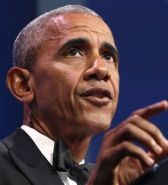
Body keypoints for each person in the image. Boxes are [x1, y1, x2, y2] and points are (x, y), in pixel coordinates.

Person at [0, 4, 168, 185]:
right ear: (23, 85)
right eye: (74, 52)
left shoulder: (118, 179)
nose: (101, 69)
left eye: (108, 56)